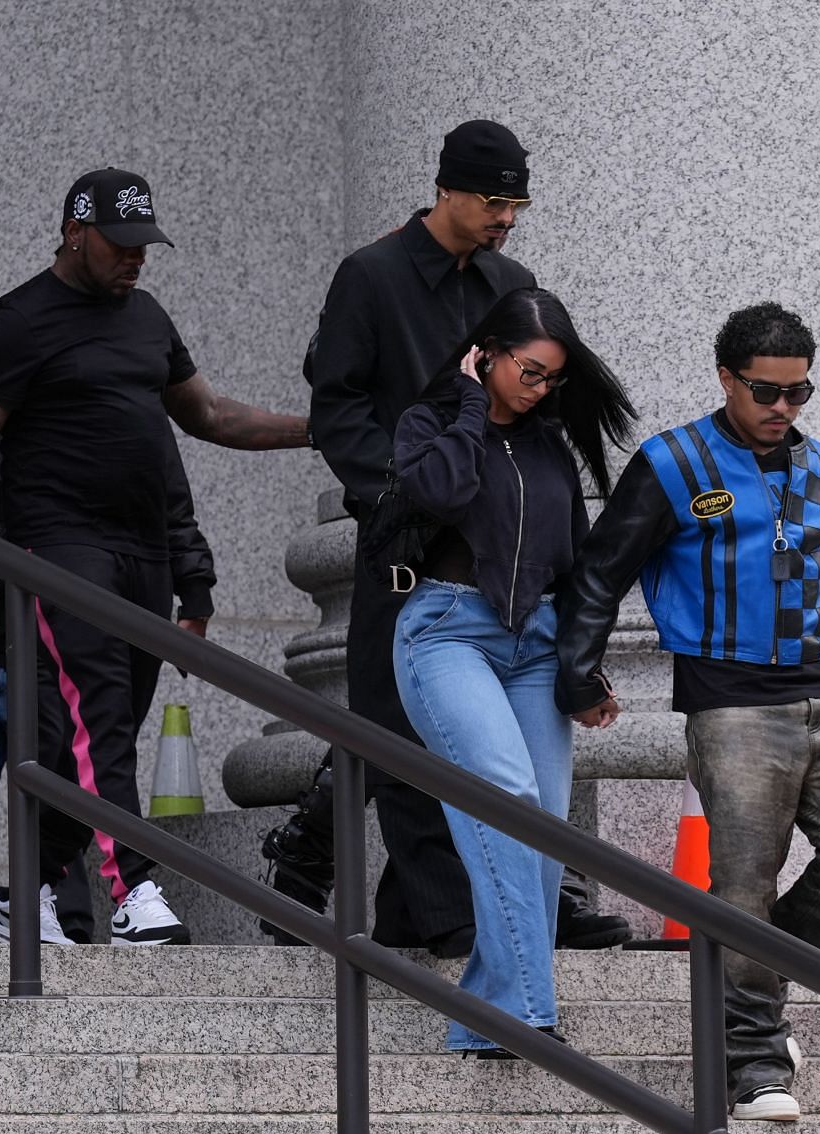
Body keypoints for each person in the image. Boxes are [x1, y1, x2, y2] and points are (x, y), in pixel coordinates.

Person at [555, 301, 820, 1121]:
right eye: (765, 392)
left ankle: (744, 999)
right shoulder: (672, 463)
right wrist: (579, 673)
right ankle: (751, 1059)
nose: (782, 408)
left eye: (798, 393)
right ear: (726, 378)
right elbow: (598, 573)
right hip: (729, 703)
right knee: (742, 883)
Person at [285, 119, 630, 954]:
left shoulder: (515, 281)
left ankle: (460, 906)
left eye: (518, 203)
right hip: (409, 551)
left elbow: (543, 409)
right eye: (493, 200)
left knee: (502, 740)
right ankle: (444, 911)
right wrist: (405, 497)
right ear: (445, 188)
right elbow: (336, 407)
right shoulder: (370, 275)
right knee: (400, 729)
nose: (507, 217)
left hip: (504, 555)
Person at [0, 167, 308, 945]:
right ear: (76, 231)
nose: (137, 257)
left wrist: (319, 429)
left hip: (142, 555)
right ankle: (134, 889)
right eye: (122, 242)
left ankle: (29, 890)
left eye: (147, 243)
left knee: (101, 732)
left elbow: (208, 414)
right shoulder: (17, 319)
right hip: (56, 548)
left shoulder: (145, 316)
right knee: (99, 717)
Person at [390, 287, 633, 1054]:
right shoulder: (430, 424)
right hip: (446, 631)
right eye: (529, 371)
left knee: (541, 830)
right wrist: (467, 402)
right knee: (506, 796)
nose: (540, 389)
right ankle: (527, 1015)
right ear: (486, 352)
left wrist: (581, 671)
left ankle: (484, 1021)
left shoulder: (548, 444)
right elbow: (440, 489)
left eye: (553, 379)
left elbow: (577, 564)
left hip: (535, 642)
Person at [0, 443, 217, 945]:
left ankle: (42, 908)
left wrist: (194, 585)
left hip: (56, 640)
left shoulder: (117, 414)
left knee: (72, 767)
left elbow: (168, 494)